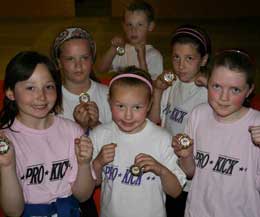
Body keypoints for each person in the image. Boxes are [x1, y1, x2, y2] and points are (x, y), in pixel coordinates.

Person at [0, 51, 95, 217]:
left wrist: (84, 164)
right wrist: (7, 166)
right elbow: (13, 211)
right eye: (30, 88)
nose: (41, 96)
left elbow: (83, 196)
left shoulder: (72, 132)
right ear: (10, 93)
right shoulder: (6, 141)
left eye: (49, 87)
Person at [173, 50, 260, 217]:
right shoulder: (198, 114)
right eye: (216, 86)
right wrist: (185, 155)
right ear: (208, 83)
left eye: (235, 90)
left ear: (249, 91)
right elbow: (190, 173)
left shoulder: (256, 124)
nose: (223, 97)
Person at [91, 66, 186, 217]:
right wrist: (98, 163)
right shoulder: (99, 135)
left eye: (137, 107)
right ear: (109, 101)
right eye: (120, 106)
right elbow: (93, 184)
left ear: (149, 105)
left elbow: (175, 192)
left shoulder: (162, 139)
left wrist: (161, 170)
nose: (128, 116)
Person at [149, 24, 211, 216]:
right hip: (168, 168)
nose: (181, 65)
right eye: (176, 57)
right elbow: (154, 120)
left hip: (193, 174)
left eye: (189, 58)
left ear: (204, 60)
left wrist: (212, 85)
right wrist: (158, 90)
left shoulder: (208, 91)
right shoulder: (171, 84)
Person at [52, 26, 111, 217]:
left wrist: (95, 125)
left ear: (92, 59)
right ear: (58, 62)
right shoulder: (50, 100)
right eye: (70, 59)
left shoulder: (109, 94)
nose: (78, 66)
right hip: (63, 186)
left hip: (105, 181)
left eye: (84, 58)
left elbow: (123, 140)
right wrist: (80, 128)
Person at [96, 0, 163, 80]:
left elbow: (149, 87)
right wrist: (113, 48)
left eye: (140, 25)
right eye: (129, 25)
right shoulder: (122, 51)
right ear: (124, 26)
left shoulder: (154, 55)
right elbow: (101, 69)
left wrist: (141, 58)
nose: (133, 30)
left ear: (150, 26)